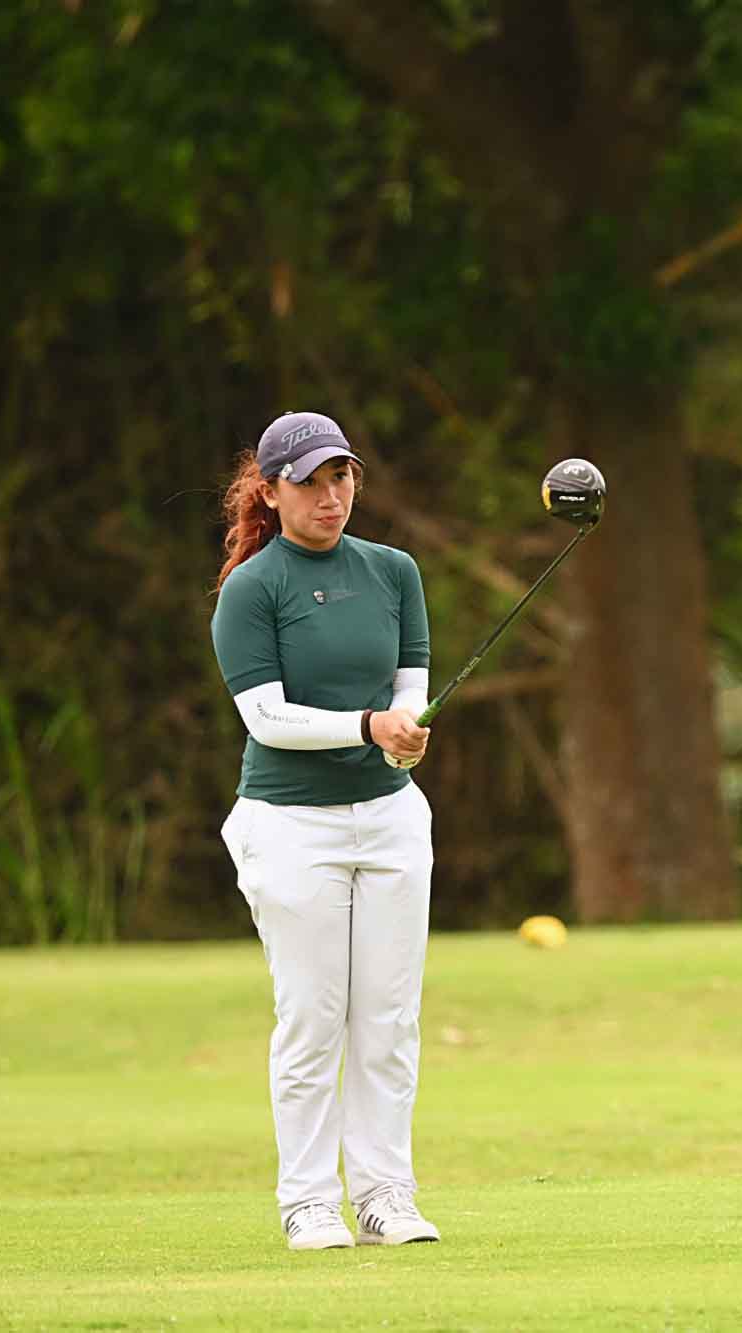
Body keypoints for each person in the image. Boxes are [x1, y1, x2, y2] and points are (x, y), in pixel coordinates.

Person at [209, 410, 441, 1251]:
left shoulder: (393, 571)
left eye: (340, 476)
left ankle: (385, 1194)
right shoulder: (252, 588)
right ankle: (308, 1199)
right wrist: (370, 726)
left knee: (389, 1017)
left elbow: (409, 684)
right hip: (289, 824)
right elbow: (266, 718)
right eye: (308, 481)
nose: (329, 495)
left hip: (389, 817)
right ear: (271, 492)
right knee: (314, 1016)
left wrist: (405, 730)